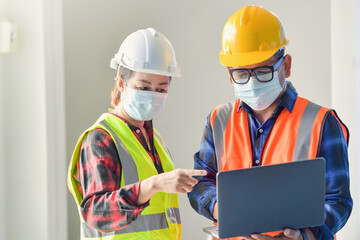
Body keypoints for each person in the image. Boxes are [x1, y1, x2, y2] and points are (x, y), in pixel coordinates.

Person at [187, 5, 352, 240]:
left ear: (285, 66)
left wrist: (303, 235)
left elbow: (338, 201)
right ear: (229, 73)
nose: (252, 82)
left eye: (263, 71)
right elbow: (201, 181)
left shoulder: (321, 122)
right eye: (242, 74)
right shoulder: (218, 120)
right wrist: (219, 208)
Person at [67, 28, 207, 240]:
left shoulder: (153, 139)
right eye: (143, 87)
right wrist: (154, 184)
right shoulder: (101, 138)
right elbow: (96, 213)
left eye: (161, 90)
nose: (152, 96)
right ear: (121, 83)